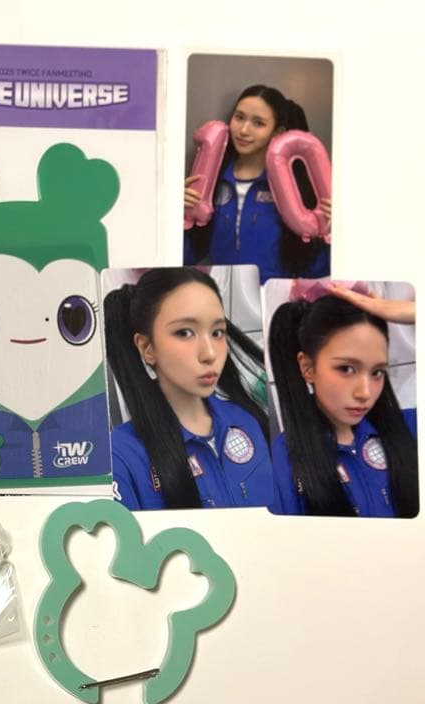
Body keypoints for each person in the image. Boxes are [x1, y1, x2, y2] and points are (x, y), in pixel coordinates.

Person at [105, 267, 273, 510]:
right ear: (147, 348)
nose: (210, 353)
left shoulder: (248, 421)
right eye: (184, 332)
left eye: (217, 332)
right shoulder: (121, 456)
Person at [267, 292, 418, 517]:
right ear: (308, 368)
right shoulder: (278, 463)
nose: (365, 393)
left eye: (377, 372)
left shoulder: (410, 427)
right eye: (346, 369)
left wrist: (412, 312)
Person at [184, 85, 332, 284]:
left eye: (258, 123)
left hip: (278, 297)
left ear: (278, 132)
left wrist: (332, 232)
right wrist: (179, 215)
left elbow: (315, 267)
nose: (244, 130)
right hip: (223, 294)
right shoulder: (212, 181)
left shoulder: (294, 191)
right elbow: (188, 254)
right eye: (239, 117)